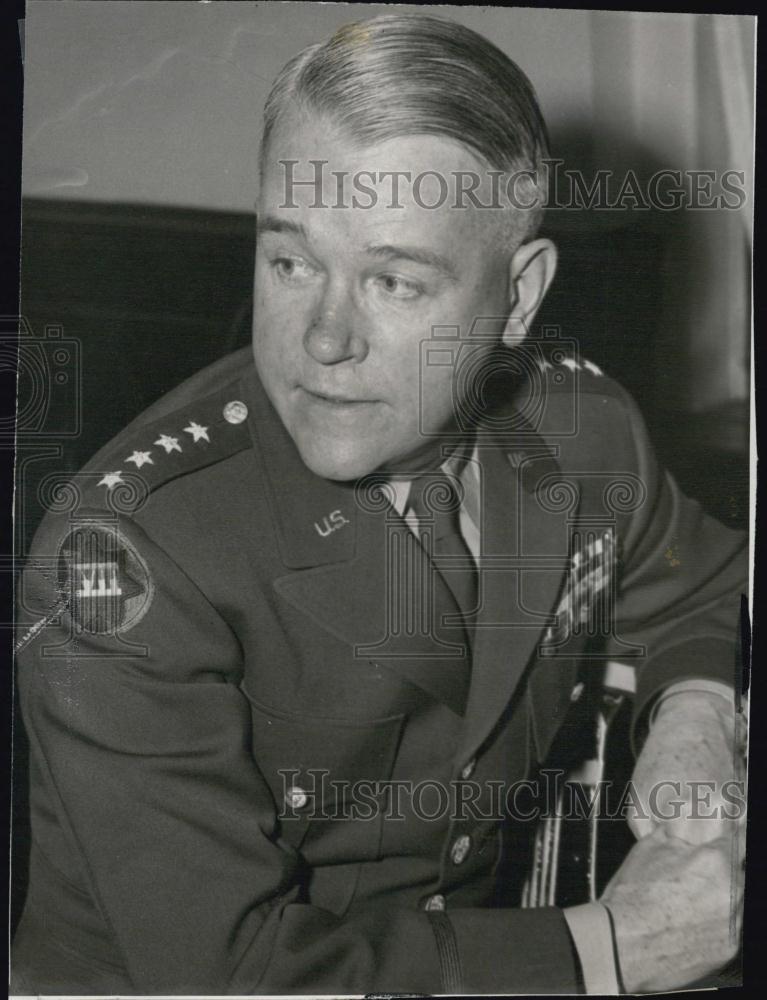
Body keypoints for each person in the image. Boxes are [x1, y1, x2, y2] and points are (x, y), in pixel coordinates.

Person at [12, 12, 746, 995]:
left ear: (518, 298)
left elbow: (698, 582)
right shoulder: (127, 557)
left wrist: (692, 712)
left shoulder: (577, 429)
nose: (322, 338)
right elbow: (233, 974)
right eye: (290, 261)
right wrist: (608, 945)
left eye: (393, 281)